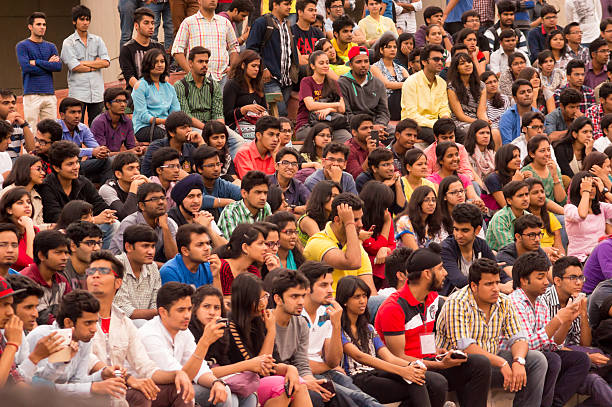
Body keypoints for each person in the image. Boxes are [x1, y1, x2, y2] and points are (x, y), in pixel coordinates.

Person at [374, 245, 491, 407]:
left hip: (427, 362)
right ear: (427, 274)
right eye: (441, 268)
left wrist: (438, 354)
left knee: (480, 364)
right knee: (437, 382)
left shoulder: (432, 298)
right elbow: (397, 357)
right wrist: (440, 365)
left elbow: (423, 340)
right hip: (401, 369)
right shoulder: (393, 308)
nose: (446, 273)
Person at [85, 250, 196, 406]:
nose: (95, 275)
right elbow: (87, 361)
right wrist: (129, 380)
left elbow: (145, 367)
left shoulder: (124, 323)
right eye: (91, 272)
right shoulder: (76, 317)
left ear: (118, 283)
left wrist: (178, 374)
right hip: (90, 391)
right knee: (139, 396)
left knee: (180, 388)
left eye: (103, 271)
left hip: (120, 390)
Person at [436, 257, 548, 406]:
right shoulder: (457, 303)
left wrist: (518, 361)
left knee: (537, 360)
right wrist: (501, 363)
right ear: (474, 286)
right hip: (459, 366)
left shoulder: (503, 301)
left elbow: (519, 337)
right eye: (489, 284)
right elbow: (465, 347)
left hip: (492, 361)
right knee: (479, 363)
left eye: (497, 282)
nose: (496, 288)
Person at [508, 253, 594, 407]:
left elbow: (552, 344)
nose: (546, 282)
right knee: (550, 359)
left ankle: (555, 404)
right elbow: (526, 345)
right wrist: (557, 320)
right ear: (523, 280)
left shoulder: (540, 302)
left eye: (545, 277)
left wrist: (567, 319)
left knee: (581, 359)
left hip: (538, 353)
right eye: (540, 277)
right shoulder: (515, 302)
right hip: (514, 356)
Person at [335, 275, 433, 406]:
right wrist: (402, 371)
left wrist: (411, 367)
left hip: (375, 373)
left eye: (364, 296)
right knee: (414, 383)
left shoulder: (368, 328)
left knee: (417, 379)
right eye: (357, 297)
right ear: (345, 301)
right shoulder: (338, 329)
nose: (363, 301)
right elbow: (359, 356)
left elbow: (388, 357)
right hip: (356, 378)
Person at [299, 262, 383, 407]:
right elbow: (299, 363)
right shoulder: (297, 315)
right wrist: (326, 365)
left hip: (327, 372)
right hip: (306, 376)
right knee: (357, 400)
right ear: (306, 288)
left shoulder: (326, 313)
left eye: (331, 285)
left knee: (366, 400)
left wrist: (336, 324)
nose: (331, 290)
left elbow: (333, 360)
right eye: (323, 285)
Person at [20, 289, 129, 398]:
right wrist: (93, 387)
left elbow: (78, 382)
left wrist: (102, 374)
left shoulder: (84, 340)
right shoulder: (42, 336)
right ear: (68, 322)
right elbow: (42, 387)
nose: (94, 329)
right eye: (88, 323)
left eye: (95, 322)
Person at [225, 273, 313, 406]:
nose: (264, 303)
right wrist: (271, 331)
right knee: (283, 389)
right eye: (259, 299)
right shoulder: (230, 327)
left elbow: (273, 363)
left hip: (261, 381)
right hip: (242, 385)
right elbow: (260, 367)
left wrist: (291, 369)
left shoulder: (259, 322)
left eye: (265, 297)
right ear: (245, 300)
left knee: (298, 385)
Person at [139, 282, 231, 407]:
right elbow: (181, 377)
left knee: (224, 390)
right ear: (163, 312)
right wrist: (204, 342)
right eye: (181, 310)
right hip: (147, 395)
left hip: (174, 390)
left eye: (189, 309)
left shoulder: (183, 331)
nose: (188, 315)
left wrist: (216, 382)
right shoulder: (150, 335)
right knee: (185, 392)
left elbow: (201, 370)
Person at [540, 257, 612, 405]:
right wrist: (586, 356)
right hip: (556, 361)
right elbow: (548, 345)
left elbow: (584, 343)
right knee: (594, 380)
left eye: (580, 277)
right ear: (557, 281)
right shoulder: (543, 302)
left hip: (577, 360)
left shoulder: (576, 299)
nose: (579, 282)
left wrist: (583, 314)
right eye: (573, 278)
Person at [187, 285, 259, 407]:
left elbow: (224, 363)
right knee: (229, 396)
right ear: (195, 309)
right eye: (206, 306)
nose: (212, 312)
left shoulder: (222, 331)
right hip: (192, 382)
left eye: (217, 308)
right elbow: (198, 371)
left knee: (249, 396)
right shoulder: (188, 332)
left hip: (214, 379)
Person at [304, 193, 376, 294]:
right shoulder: (317, 242)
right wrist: (349, 223)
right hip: (326, 305)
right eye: (355, 220)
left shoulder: (355, 246)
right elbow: (353, 262)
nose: (361, 224)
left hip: (350, 304)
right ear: (337, 220)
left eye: (361, 219)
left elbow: (370, 290)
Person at [36, 141, 114, 229]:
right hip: (60, 234)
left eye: (77, 162)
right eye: (70, 164)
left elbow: (99, 205)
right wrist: (92, 220)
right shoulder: (46, 187)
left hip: (84, 229)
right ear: (56, 168)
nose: (76, 167)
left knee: (113, 224)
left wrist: (107, 214)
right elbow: (56, 219)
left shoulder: (83, 182)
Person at [246, 0, 299, 117]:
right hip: (270, 79)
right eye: (286, 4)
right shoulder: (261, 23)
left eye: (290, 4)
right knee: (280, 114)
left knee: (276, 114)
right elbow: (251, 49)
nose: (290, 7)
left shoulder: (288, 25)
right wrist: (263, 68)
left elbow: (290, 51)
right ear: (275, 5)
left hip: (287, 80)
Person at [60, 5, 110, 126]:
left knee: (97, 127)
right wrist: (96, 65)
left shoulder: (98, 40)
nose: (85, 22)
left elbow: (106, 62)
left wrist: (84, 63)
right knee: (75, 127)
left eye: (87, 19)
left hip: (97, 93)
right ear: (74, 21)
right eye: (82, 19)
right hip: (78, 93)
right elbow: (75, 67)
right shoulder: (68, 42)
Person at [440, 203, 504, 295]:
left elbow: (500, 273)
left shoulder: (481, 244)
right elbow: (459, 281)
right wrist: (496, 285)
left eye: (465, 230)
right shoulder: (446, 249)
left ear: (477, 230)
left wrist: (509, 283)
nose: (459, 235)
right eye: (456, 229)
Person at [171, 0, 239, 86]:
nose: (213, 0)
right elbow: (177, 49)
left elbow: (234, 47)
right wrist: (190, 73)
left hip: (221, 77)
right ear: (199, 1)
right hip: (196, 80)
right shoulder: (189, 22)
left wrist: (232, 68)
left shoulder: (225, 22)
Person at [110, 182, 179, 265]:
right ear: (142, 206)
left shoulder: (168, 222)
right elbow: (131, 259)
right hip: (122, 269)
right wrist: (166, 268)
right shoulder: (129, 224)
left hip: (153, 269)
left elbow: (173, 258)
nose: (161, 202)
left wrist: (165, 227)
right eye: (154, 199)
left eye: (162, 198)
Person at [16, 12, 62, 126]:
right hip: (31, 93)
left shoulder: (51, 46)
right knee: (31, 129)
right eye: (38, 24)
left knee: (51, 129)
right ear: (30, 27)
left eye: (44, 24)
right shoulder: (22, 46)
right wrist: (48, 65)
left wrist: (37, 62)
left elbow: (58, 66)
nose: (42, 27)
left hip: (49, 94)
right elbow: (26, 68)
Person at [337, 47, 390, 139]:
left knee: (398, 134)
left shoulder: (378, 83)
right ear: (350, 65)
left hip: (375, 125)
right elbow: (346, 114)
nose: (363, 65)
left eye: (366, 61)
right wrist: (368, 128)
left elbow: (383, 112)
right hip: (353, 126)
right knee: (348, 139)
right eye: (358, 62)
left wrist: (379, 126)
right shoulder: (342, 83)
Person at [401, 45, 450, 144]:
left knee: (462, 134)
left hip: (436, 124)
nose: (440, 62)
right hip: (414, 124)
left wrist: (446, 120)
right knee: (440, 139)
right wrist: (437, 124)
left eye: (442, 59)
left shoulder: (442, 82)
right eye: (436, 59)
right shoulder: (411, 82)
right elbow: (412, 115)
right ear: (424, 62)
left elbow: (443, 108)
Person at [296, 51, 349, 142]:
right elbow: (310, 106)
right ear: (312, 66)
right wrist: (335, 104)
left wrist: (329, 110)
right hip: (307, 124)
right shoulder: (306, 81)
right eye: (321, 63)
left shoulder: (334, 83)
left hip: (329, 122)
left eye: (327, 63)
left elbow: (342, 109)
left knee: (346, 137)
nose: (325, 65)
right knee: (320, 138)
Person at [21, 230, 71, 325]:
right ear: (42, 256)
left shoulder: (62, 281)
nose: (64, 257)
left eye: (66, 253)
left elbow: (72, 308)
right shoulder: (27, 281)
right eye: (58, 252)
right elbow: (42, 317)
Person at [113, 224, 161, 323]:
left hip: (148, 324)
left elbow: (156, 303)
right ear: (128, 247)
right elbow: (124, 310)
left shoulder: (152, 267)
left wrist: (157, 312)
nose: (151, 251)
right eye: (145, 246)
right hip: (120, 323)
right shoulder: (116, 265)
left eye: (153, 246)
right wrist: (159, 312)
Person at [57, 98, 112, 184]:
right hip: (60, 167)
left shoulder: (83, 127)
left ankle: (105, 189)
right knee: (105, 163)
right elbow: (63, 151)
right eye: (72, 112)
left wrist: (101, 151)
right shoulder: (56, 128)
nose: (77, 116)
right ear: (62, 115)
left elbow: (95, 147)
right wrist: (92, 151)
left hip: (77, 166)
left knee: (106, 160)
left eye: (79, 112)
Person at [132, 48, 180, 142]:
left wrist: (171, 122)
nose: (159, 65)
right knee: (168, 136)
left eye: (162, 61)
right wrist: (164, 122)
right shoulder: (140, 86)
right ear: (147, 64)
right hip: (145, 127)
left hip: (167, 125)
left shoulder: (169, 87)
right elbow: (143, 115)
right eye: (155, 62)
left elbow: (176, 110)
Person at [173, 47, 224, 132]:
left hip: (213, 127)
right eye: (200, 61)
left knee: (238, 140)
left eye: (206, 62)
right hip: (191, 128)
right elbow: (186, 116)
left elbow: (218, 114)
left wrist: (220, 129)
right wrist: (208, 130)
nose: (204, 65)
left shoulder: (214, 85)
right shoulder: (180, 85)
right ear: (190, 63)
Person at [565, 172, 612, 262]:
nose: (590, 189)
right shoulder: (569, 208)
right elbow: (582, 215)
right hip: (580, 259)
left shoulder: (601, 207)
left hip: (602, 255)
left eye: (593, 185)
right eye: (586, 186)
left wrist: (604, 191)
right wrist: (585, 192)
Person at [223, 50, 269, 142]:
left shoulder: (258, 85)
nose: (256, 69)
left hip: (257, 124)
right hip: (239, 127)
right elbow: (227, 115)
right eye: (253, 66)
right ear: (243, 65)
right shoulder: (232, 84)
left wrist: (264, 113)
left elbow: (264, 108)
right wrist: (244, 109)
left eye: (258, 66)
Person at [141, 111, 204, 178]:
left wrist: (201, 141)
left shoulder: (190, 148)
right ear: (171, 132)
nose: (189, 130)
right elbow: (147, 173)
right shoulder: (156, 147)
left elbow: (205, 169)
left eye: (189, 126)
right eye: (183, 127)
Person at [118, 7, 166, 92]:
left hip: (158, 94)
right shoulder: (127, 49)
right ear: (136, 25)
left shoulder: (159, 47)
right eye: (146, 23)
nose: (151, 27)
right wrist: (147, 93)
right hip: (137, 95)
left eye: (152, 23)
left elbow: (166, 74)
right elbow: (129, 76)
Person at [359, 181, 396, 287]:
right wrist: (387, 223)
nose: (386, 209)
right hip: (364, 264)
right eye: (385, 205)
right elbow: (373, 248)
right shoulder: (358, 218)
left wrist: (386, 249)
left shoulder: (385, 215)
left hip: (381, 262)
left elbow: (392, 245)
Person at [426, 142, 483, 208]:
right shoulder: (432, 181)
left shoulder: (463, 178)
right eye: (450, 156)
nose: (455, 159)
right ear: (441, 161)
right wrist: (469, 203)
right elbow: (440, 203)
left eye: (456, 154)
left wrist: (479, 203)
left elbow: (474, 197)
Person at [191, 145, 241, 219]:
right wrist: (226, 202)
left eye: (218, 164)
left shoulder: (222, 184)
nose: (216, 169)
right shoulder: (192, 183)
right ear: (199, 169)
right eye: (211, 165)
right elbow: (198, 201)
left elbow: (243, 194)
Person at [90, 88, 142, 157]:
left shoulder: (127, 121)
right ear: (108, 105)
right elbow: (102, 153)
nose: (123, 104)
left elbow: (131, 147)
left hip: (117, 158)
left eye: (124, 101)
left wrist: (138, 150)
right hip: (99, 161)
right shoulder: (99, 122)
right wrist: (127, 153)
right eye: (118, 101)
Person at [447, 52, 487, 136]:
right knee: (472, 131)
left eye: (469, 62)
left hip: (477, 120)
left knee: (494, 131)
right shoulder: (452, 87)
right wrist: (478, 123)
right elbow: (460, 115)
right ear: (456, 69)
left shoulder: (481, 85)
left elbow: (481, 112)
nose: (467, 65)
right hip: (460, 122)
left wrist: (485, 121)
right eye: (462, 63)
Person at [99, 152, 148, 221]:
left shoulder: (141, 185)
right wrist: (133, 187)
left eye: (137, 168)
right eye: (131, 168)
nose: (137, 172)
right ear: (118, 174)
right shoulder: (107, 189)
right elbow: (126, 216)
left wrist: (150, 186)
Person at [371, 34, 409, 121]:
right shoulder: (375, 67)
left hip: (401, 102)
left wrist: (407, 84)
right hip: (386, 103)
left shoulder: (401, 68)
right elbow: (387, 84)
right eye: (388, 47)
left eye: (395, 47)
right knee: (406, 82)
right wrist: (406, 84)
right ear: (381, 50)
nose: (392, 49)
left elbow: (411, 83)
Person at [522, 135, 566, 209]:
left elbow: (562, 201)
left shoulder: (553, 169)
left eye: (548, 150)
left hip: (558, 211)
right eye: (542, 151)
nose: (547, 154)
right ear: (532, 154)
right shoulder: (527, 172)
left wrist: (555, 176)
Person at [485, 180, 531, 251]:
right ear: (509, 201)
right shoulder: (500, 218)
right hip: (499, 255)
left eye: (527, 194)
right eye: (520, 196)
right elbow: (508, 246)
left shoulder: (529, 216)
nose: (525, 199)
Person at [395, 185, 442, 249]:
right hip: (408, 257)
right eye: (426, 200)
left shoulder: (433, 222)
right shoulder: (404, 222)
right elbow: (415, 252)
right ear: (417, 202)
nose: (431, 203)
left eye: (433, 200)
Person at [0, 188, 37, 271]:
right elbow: (29, 263)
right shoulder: (5, 233)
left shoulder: (35, 230)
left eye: (29, 202)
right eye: (20, 203)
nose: (27, 205)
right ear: (9, 210)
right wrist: (29, 228)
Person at [525, 177, 564, 253]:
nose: (541, 196)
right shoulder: (523, 218)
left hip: (553, 255)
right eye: (535, 193)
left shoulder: (550, 217)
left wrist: (561, 259)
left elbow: (558, 245)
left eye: (542, 192)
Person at [297, 180, 340, 246]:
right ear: (321, 197)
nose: (336, 200)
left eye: (338, 197)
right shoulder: (308, 220)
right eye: (333, 196)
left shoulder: (331, 219)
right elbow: (322, 245)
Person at [62, 221, 102, 290]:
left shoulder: (98, 271)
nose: (97, 248)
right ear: (73, 246)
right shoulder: (61, 273)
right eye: (90, 243)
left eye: (98, 243)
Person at [268, 148, 310, 213]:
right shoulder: (266, 183)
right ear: (276, 166)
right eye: (285, 163)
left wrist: (293, 209)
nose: (290, 167)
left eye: (294, 164)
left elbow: (312, 205)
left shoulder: (298, 185)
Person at [499, 79, 538, 145]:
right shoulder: (507, 117)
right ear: (515, 98)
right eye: (522, 92)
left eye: (529, 91)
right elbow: (507, 144)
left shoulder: (538, 115)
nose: (527, 94)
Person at [0, 89, 35, 160]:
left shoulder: (20, 123)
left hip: (15, 163)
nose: (11, 106)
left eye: (13, 103)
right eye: (6, 103)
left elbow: (32, 150)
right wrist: (8, 123)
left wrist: (24, 125)